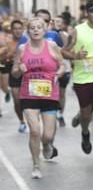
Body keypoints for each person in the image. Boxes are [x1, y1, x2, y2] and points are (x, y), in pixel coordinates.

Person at [12, 17, 64, 178]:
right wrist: (19, 70)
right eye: (32, 28)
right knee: (35, 131)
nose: (35, 30)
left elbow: (62, 65)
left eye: (39, 27)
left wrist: (59, 73)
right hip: (29, 94)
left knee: (47, 135)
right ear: (28, 31)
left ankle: (47, 145)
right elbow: (14, 71)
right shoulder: (22, 48)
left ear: (44, 30)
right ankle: (36, 165)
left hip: (49, 94)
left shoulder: (52, 46)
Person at [62, 0, 93, 167]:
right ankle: (85, 132)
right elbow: (64, 51)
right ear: (87, 12)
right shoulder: (77, 31)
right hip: (82, 77)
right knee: (86, 114)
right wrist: (75, 56)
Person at [1, 19, 26, 131]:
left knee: (29, 100)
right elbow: (2, 60)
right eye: (15, 28)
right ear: (12, 30)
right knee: (17, 100)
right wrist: (8, 56)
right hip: (14, 72)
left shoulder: (28, 41)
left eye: (19, 28)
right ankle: (22, 122)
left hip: (27, 72)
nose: (17, 31)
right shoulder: (8, 43)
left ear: (23, 29)